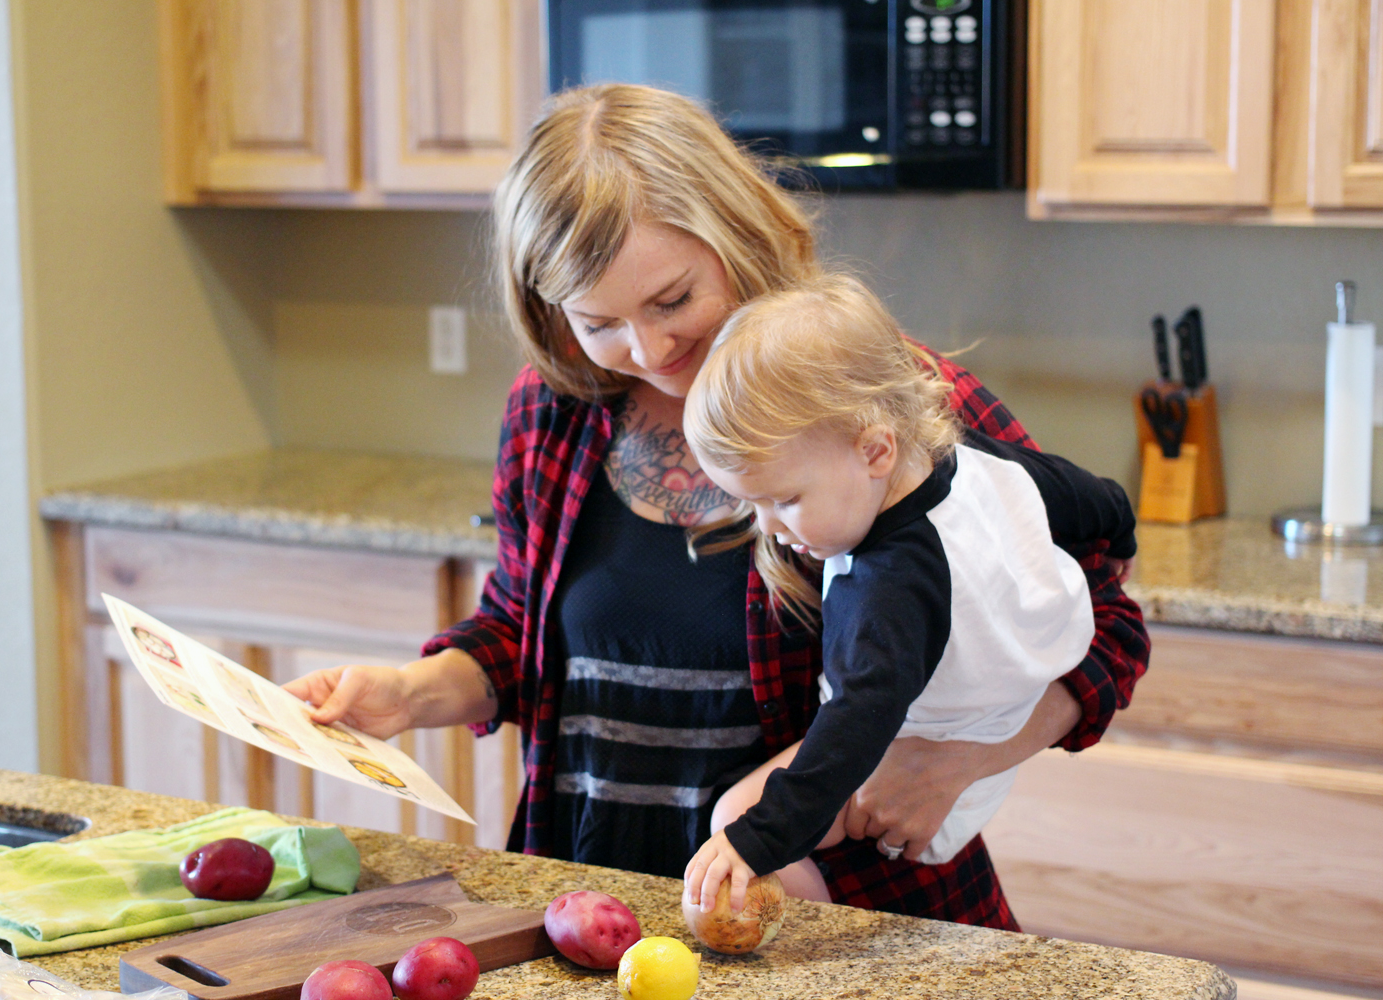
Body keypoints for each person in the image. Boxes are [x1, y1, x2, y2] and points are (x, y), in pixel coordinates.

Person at [282, 83, 1148, 930]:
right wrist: (407, 693)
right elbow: (521, 630)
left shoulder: (875, 403)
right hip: (589, 888)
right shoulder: (555, 413)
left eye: (672, 301)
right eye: (598, 322)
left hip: (843, 911)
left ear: (737, 235)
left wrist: (952, 761)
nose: (649, 350)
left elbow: (1111, 627)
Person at [679, 276, 1137, 915]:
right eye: (749, 503)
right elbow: (1089, 495)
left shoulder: (888, 587)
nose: (768, 529)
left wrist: (757, 840)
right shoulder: (974, 458)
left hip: (934, 744)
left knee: (735, 813)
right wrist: (1121, 538)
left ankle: (798, 953)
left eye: (783, 500)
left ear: (874, 450)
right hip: (1008, 701)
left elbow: (857, 726)